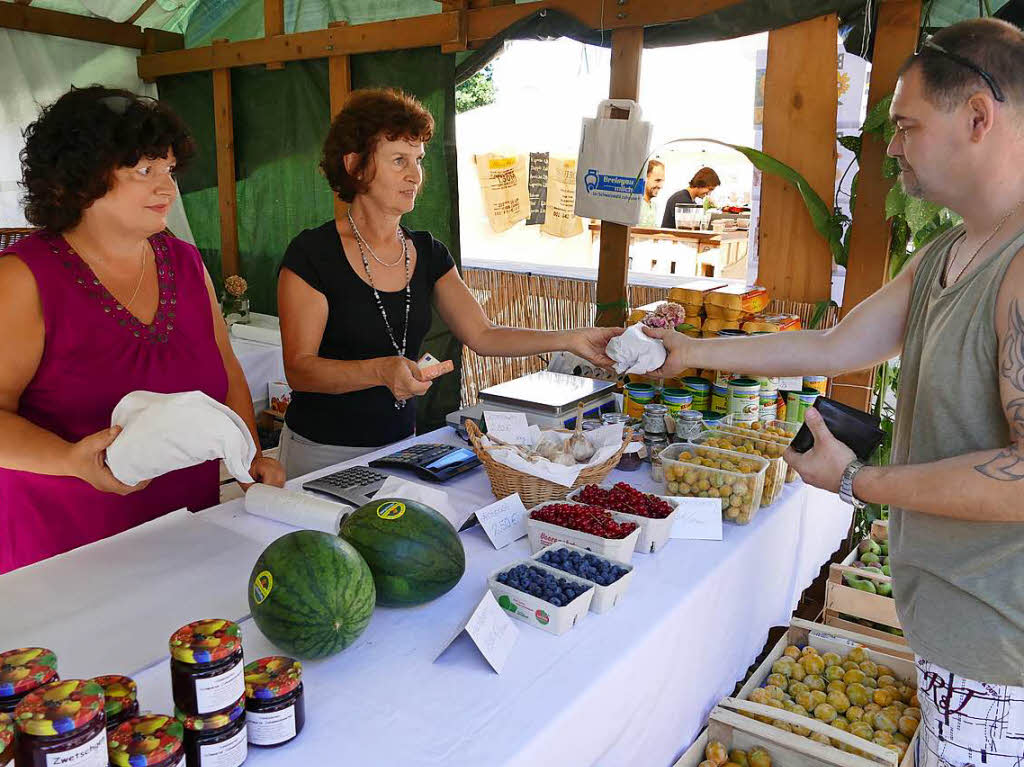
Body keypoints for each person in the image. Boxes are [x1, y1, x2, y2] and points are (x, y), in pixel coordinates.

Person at [645, 19, 1024, 766]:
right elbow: (830, 346)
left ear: (978, 116)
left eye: (908, 125)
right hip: (952, 626)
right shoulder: (949, 252)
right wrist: (688, 351)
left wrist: (857, 479)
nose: (890, 146)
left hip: (999, 647)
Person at [0, 87, 285, 574]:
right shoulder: (23, 279)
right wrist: (71, 460)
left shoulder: (185, 263)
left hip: (184, 534)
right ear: (81, 178)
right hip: (63, 555)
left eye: (169, 169)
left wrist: (249, 456)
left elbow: (227, 370)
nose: (168, 189)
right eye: (144, 170)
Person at [276, 88, 622, 478]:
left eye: (418, 160)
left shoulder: (428, 253)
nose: (415, 175)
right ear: (356, 165)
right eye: (398, 160)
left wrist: (570, 338)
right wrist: (380, 370)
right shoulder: (313, 254)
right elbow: (300, 370)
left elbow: (484, 334)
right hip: (322, 453)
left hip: (400, 448)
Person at [638, 158, 664, 227]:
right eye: (657, 180)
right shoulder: (636, 205)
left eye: (662, 181)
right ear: (645, 178)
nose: (661, 186)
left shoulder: (653, 206)